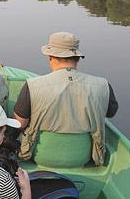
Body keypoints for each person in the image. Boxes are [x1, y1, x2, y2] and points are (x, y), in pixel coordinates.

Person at [13, 32, 119, 166]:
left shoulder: (32, 86)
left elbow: (19, 124)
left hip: (41, 157)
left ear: (50, 57)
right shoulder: (103, 85)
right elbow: (111, 113)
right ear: (77, 58)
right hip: (83, 157)